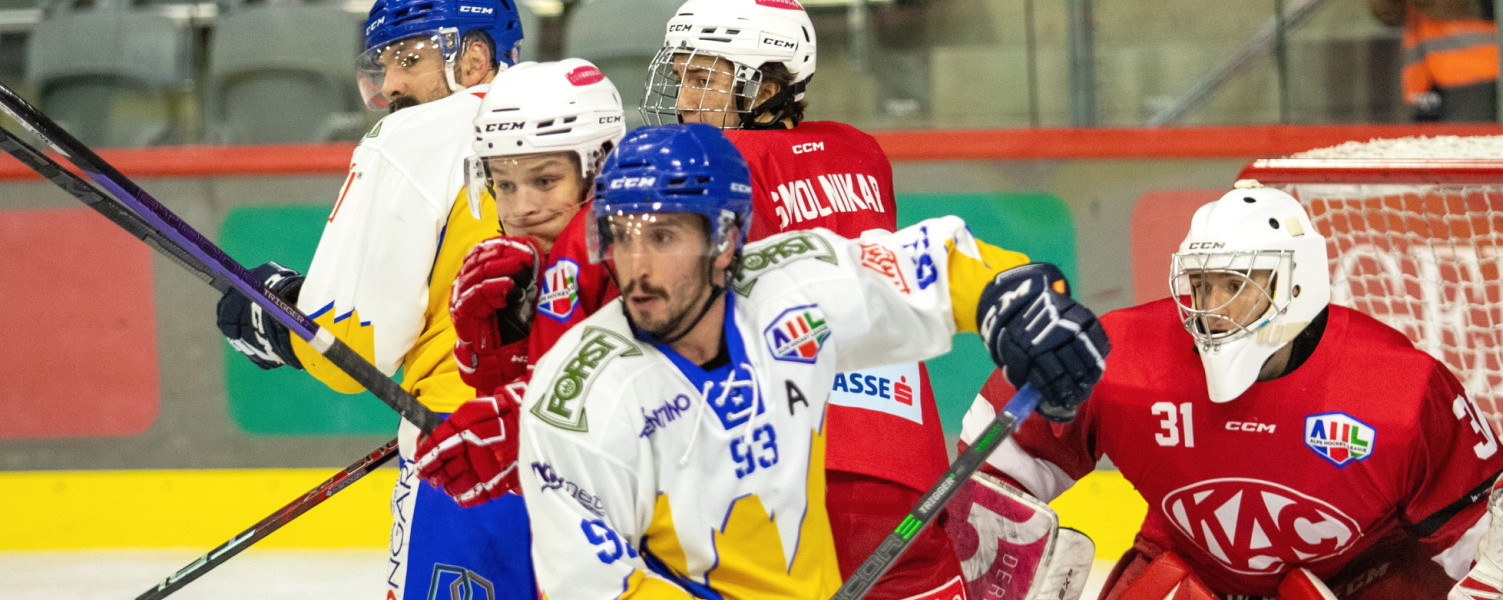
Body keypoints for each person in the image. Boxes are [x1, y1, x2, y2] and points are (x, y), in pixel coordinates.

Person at [517, 122, 1109, 599]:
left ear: (726, 240)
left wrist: (1006, 304)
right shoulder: (574, 396)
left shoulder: (788, 290)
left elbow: (929, 269)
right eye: (620, 237)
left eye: (663, 237)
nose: (635, 266)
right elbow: (593, 586)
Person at [963, 184, 1503, 600]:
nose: (1213, 309)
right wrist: (993, 552)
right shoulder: (1123, 357)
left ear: (1296, 285)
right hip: (1191, 576)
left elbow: (1495, 550)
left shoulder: (1398, 391)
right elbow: (993, 467)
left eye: (1236, 285)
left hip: (1361, 581)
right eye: (1202, 285)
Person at [643, 1, 969, 596]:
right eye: (682, 77)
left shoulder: (722, 163)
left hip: (789, 462)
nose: (685, 99)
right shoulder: (862, 151)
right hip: (907, 460)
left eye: (703, 78)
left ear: (765, 84)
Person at [211, 0, 534, 597]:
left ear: (476, 56)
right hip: (593, 459)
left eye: (409, 60)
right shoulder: (581, 116)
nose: (390, 85)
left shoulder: (412, 136)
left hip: (466, 456)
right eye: (383, 64)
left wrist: (273, 315)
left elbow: (350, 344)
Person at [410, 57, 627, 509]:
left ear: (600, 165)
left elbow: (650, 401)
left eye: (545, 180)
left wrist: (524, 427)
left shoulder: (637, 252)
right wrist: (503, 346)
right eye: (504, 185)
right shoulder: (529, 265)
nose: (520, 208)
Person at [1367, 0, 1503, 122]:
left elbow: (1452, 6)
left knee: (1471, 171)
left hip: (1482, 68)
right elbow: (1387, 12)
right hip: (1440, 74)